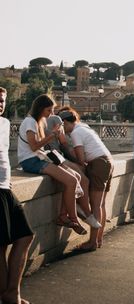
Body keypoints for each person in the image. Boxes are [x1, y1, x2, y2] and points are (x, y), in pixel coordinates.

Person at [18, 94, 88, 234]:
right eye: (48, 110)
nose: (51, 114)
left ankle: (63, 216)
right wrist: (52, 135)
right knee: (71, 180)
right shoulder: (30, 122)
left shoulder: (39, 121)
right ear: (40, 108)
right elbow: (33, 146)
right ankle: (72, 219)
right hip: (30, 160)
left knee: (76, 177)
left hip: (39, 158)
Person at [60, 109, 114, 251]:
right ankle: (98, 239)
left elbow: (80, 160)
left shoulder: (76, 132)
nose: (62, 129)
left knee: (95, 205)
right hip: (108, 161)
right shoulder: (84, 127)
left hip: (98, 164)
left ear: (65, 122)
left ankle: (92, 242)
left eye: (62, 126)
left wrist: (64, 145)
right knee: (101, 205)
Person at [0, 87, 34, 304]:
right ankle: (6, 296)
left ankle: (11, 293)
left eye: (2, 100)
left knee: (25, 236)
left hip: (5, 186)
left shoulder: (4, 124)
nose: (0, 104)